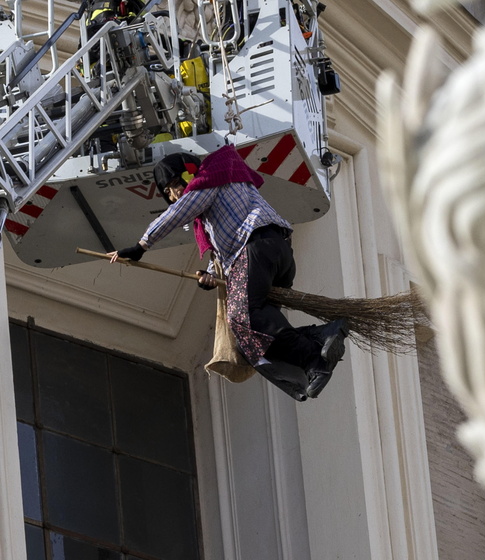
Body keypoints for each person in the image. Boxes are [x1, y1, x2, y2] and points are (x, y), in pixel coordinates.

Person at [108, 146, 347, 401]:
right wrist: (209, 276)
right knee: (256, 330)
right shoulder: (220, 193)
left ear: (188, 175)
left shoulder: (210, 178)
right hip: (275, 253)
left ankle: (313, 357)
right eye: (168, 193)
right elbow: (223, 253)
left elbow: (179, 213)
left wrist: (141, 246)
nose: (174, 196)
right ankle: (321, 336)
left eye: (174, 186)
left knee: (241, 316)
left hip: (256, 247)